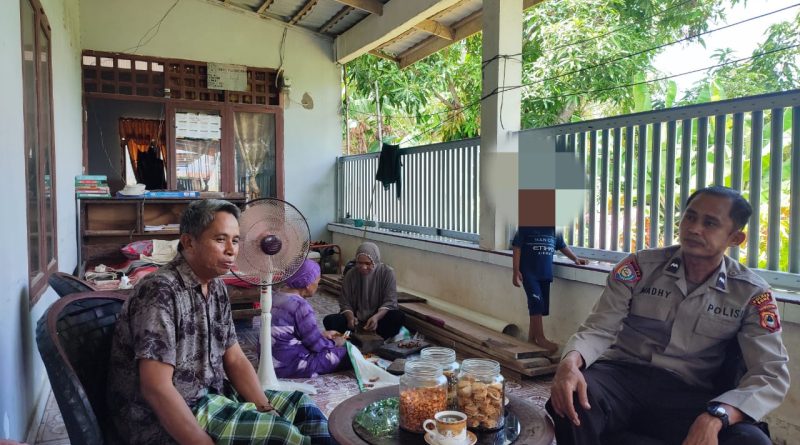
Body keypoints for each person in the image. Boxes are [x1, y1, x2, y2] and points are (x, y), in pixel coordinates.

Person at [546, 186, 789, 445]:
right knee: (572, 397)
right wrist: (570, 363)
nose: (694, 228)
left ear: (735, 238)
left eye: (710, 223)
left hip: (688, 393)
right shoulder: (639, 268)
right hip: (622, 377)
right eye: (690, 217)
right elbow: (599, 328)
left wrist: (719, 415)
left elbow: (770, 372)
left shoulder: (750, 293)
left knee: (750, 441)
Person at [106, 199, 334, 445]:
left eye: (235, 240)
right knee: (282, 434)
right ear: (188, 242)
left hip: (211, 398)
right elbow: (156, 388)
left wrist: (266, 408)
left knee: (302, 407)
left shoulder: (216, 287)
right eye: (220, 239)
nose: (231, 250)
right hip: (161, 417)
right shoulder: (160, 292)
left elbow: (234, 359)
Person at [512, 227, 587, 352]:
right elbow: (516, 247)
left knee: (539, 307)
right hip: (529, 273)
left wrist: (575, 259)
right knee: (536, 302)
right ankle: (540, 338)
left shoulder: (555, 231)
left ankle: (531, 339)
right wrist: (515, 271)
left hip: (545, 275)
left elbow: (562, 246)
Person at [271, 259, 348, 378]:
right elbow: (316, 346)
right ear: (308, 284)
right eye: (317, 282)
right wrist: (336, 341)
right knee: (345, 354)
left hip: (269, 361)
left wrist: (321, 334)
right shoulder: (300, 306)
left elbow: (296, 333)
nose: (317, 286)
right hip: (288, 365)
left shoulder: (276, 295)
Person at [323, 242, 405, 340]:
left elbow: (390, 301)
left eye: (368, 263)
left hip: (378, 320)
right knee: (330, 321)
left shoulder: (387, 273)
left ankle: (378, 338)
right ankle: (352, 337)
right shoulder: (351, 274)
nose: (363, 267)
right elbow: (345, 302)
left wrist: (376, 317)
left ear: (375, 261)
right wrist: (350, 318)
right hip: (356, 320)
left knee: (397, 317)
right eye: (359, 263)